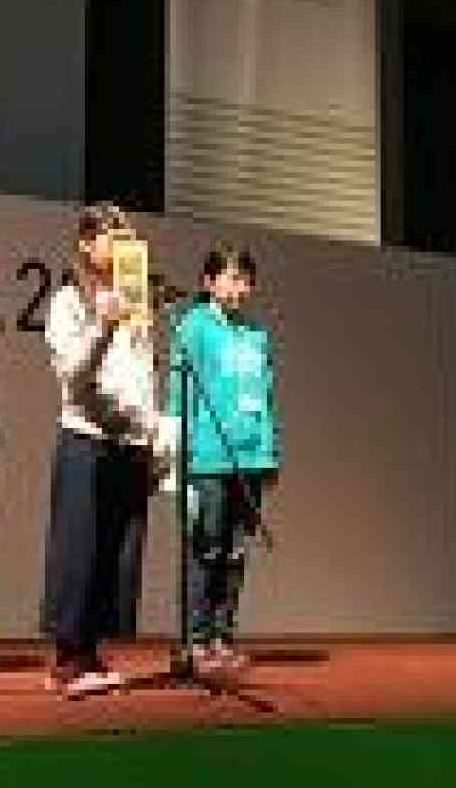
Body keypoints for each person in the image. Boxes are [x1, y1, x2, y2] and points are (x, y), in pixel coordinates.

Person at [39, 203, 160, 697]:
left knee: (116, 550)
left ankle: (92, 649)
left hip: (128, 440)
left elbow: (145, 374)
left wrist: (151, 435)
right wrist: (104, 327)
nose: (119, 242)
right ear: (87, 245)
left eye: (125, 234)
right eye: (109, 234)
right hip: (87, 437)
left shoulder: (137, 304)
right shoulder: (69, 301)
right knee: (79, 547)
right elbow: (73, 375)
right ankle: (68, 656)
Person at [169, 246, 279, 675]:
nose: (238, 287)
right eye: (229, 278)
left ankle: (223, 636)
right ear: (209, 282)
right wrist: (176, 449)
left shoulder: (256, 335)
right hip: (207, 459)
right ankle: (195, 640)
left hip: (250, 460)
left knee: (235, 552)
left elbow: (265, 399)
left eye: (244, 279)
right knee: (205, 548)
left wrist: (270, 452)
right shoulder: (193, 327)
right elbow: (179, 392)